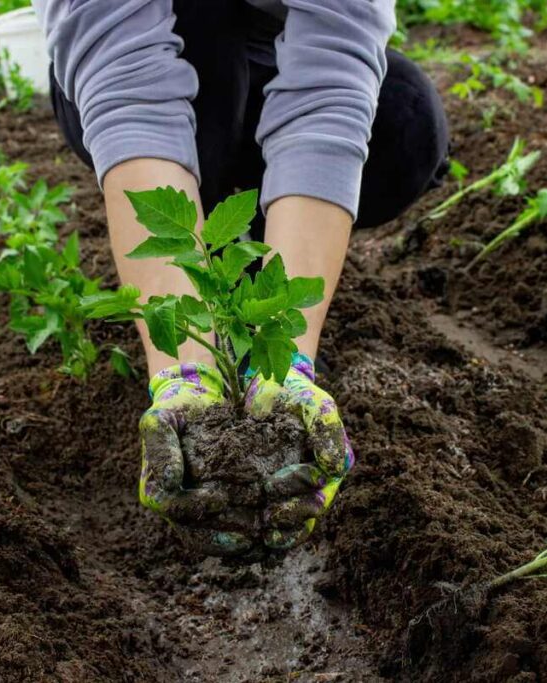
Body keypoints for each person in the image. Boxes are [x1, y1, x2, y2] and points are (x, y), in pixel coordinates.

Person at [34, 0, 449, 554]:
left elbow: (331, 80)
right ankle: (200, 262)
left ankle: (257, 276)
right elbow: (127, 85)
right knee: (208, 35)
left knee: (404, 120)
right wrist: (182, 370)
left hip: (268, 53)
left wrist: (290, 354)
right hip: (159, 62)